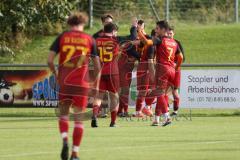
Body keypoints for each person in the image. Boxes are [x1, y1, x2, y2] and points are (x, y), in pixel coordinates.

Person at [48, 11, 101, 160]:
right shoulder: (89, 39)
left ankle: (65, 139)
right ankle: (75, 153)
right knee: (78, 119)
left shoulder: (63, 37)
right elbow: (97, 66)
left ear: (69, 23)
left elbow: (50, 60)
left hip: (65, 82)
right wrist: (95, 84)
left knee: (63, 115)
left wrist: (56, 75)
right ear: (83, 23)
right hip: (81, 84)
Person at [138, 20, 183, 126]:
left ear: (163, 30)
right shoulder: (174, 42)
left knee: (159, 93)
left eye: (157, 28)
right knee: (162, 94)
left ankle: (167, 117)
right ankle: (156, 119)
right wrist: (176, 67)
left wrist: (139, 31)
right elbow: (180, 57)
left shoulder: (159, 39)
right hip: (172, 70)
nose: (156, 30)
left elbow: (147, 42)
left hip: (162, 69)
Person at [91, 23, 120, 127]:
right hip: (112, 72)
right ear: (113, 31)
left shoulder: (96, 42)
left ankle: (94, 115)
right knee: (114, 97)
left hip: (100, 72)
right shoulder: (115, 42)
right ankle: (113, 122)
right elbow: (116, 57)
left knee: (98, 96)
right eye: (115, 32)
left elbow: (93, 58)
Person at [92, 14, 114, 118]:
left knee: (111, 92)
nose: (109, 24)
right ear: (102, 23)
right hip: (99, 67)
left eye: (110, 22)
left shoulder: (113, 34)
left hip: (111, 67)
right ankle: (101, 111)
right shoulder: (96, 36)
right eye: (107, 22)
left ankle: (108, 111)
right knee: (100, 92)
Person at [167, 27, 185, 116]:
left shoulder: (177, 43)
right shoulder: (164, 42)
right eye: (168, 33)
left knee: (174, 90)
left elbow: (183, 58)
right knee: (165, 90)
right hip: (166, 69)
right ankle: (165, 109)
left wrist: (175, 65)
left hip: (175, 69)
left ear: (174, 34)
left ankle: (175, 111)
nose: (169, 35)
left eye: (171, 33)